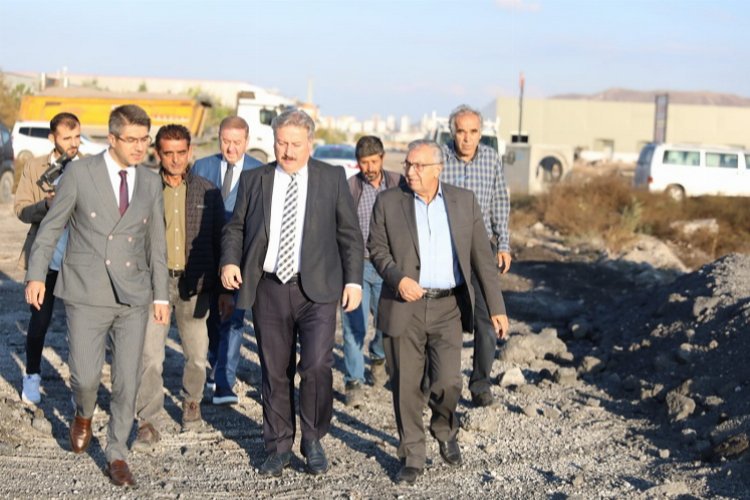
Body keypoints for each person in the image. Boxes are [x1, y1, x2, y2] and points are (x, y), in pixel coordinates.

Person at [25, 104, 169, 487]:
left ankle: (117, 452)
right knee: (86, 377)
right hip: (86, 291)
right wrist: (37, 275)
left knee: (126, 381)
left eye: (144, 140)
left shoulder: (150, 181)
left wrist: (161, 296)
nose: (139, 147)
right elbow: (51, 227)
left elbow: (156, 243)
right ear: (112, 138)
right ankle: (83, 412)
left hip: (133, 294)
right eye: (131, 139)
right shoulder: (80, 173)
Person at [220, 108, 363, 477]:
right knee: (275, 370)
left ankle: (313, 439)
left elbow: (349, 235)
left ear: (310, 144)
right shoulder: (255, 179)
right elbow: (235, 227)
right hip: (269, 288)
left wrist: (353, 281)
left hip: (317, 289)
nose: (287, 151)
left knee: (316, 366)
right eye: (281, 142)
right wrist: (230, 261)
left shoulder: (332, 178)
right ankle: (278, 446)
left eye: (295, 144)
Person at [368, 140, 508, 484]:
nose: (410, 171)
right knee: (406, 386)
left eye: (418, 166)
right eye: (408, 165)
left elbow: (482, 259)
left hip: (448, 307)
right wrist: (398, 278)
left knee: (448, 381)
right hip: (405, 306)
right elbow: (377, 248)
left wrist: (497, 308)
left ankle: (444, 426)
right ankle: (412, 455)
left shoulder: (464, 202)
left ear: (438, 169)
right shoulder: (388, 201)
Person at [133, 125, 231, 450]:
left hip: (195, 285)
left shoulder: (208, 192)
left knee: (197, 354)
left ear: (190, 152)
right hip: (154, 285)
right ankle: (148, 421)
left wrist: (224, 291)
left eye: (180, 153)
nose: (175, 160)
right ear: (157, 154)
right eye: (168, 153)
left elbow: (220, 241)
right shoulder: (144, 189)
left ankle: (192, 404)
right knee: (150, 356)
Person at [440, 104, 512, 408]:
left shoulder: (491, 159)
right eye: (461, 131)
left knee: (486, 319)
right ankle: (442, 382)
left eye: (473, 132)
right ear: (452, 132)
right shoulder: (440, 158)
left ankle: (481, 384)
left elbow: (499, 202)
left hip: (481, 249)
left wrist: (504, 244)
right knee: (445, 319)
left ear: (481, 133)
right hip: (444, 249)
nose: (467, 138)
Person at [192, 116, 262, 405]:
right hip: (205, 256)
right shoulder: (202, 167)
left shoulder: (259, 171)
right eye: (225, 141)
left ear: (247, 141)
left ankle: (225, 381)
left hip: (240, 258)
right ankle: (215, 364)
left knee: (233, 318)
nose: (231, 148)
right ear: (219, 139)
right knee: (209, 318)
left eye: (237, 142)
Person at [15, 112, 82, 404]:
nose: (73, 143)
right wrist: (47, 204)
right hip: (46, 261)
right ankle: (32, 375)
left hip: (79, 261)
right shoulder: (35, 167)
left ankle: (80, 388)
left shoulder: (89, 167)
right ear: (52, 138)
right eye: (67, 138)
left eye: (77, 137)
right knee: (39, 322)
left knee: (80, 328)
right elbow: (21, 209)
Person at [342, 135, 403, 407]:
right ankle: (353, 381)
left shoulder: (398, 184)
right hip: (357, 267)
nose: (369, 168)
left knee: (386, 323)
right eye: (363, 163)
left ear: (382, 158)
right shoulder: (350, 187)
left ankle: (378, 355)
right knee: (353, 326)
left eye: (373, 162)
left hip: (388, 268)